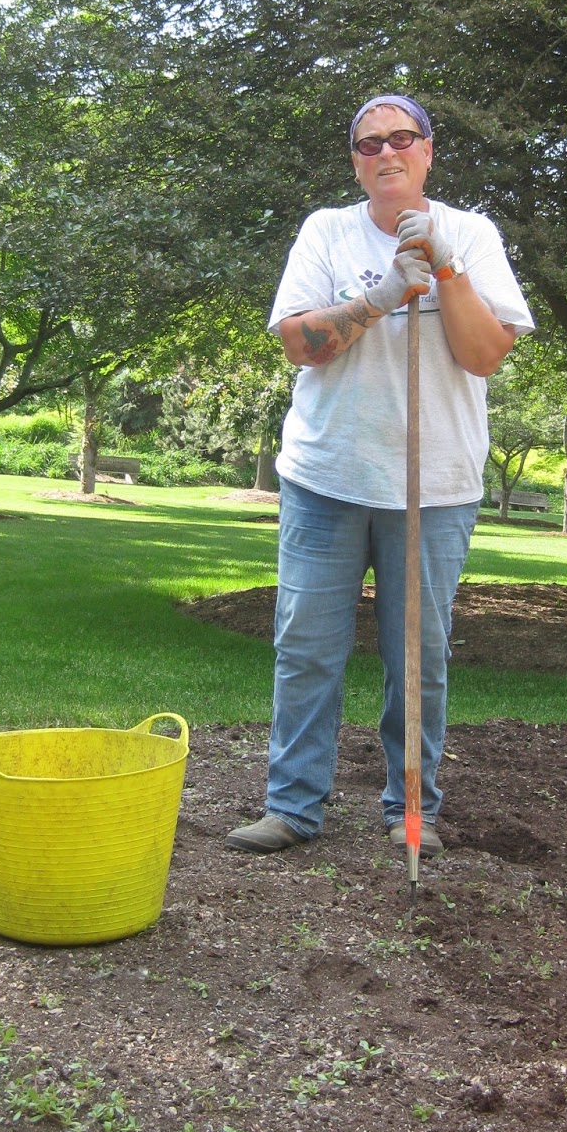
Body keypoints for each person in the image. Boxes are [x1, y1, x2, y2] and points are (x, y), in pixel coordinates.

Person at [227, 95, 535, 855]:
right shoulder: (326, 231)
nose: (386, 152)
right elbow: (299, 344)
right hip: (326, 477)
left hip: (434, 487)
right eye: (369, 144)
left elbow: (485, 355)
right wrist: (384, 295)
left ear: (428, 150)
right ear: (355, 161)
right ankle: (293, 808)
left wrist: (445, 266)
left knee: (417, 659)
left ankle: (411, 812)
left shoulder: (472, 233)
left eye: (402, 138)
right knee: (306, 649)